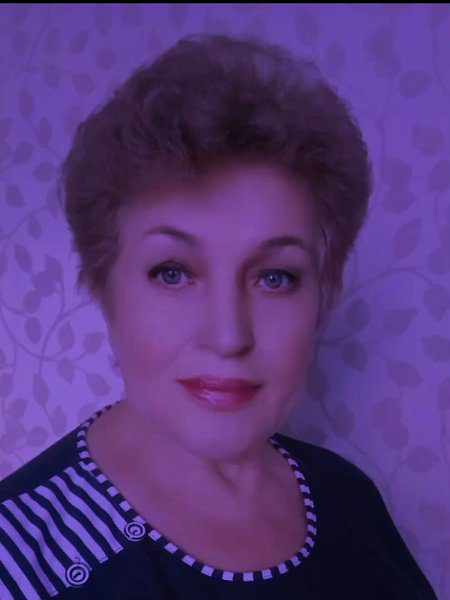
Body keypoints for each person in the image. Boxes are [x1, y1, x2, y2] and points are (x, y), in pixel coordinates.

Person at [0, 33, 437, 599]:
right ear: (102, 287)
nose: (229, 336)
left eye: (275, 277)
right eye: (173, 273)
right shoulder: (18, 562)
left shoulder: (347, 494)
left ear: (322, 294)